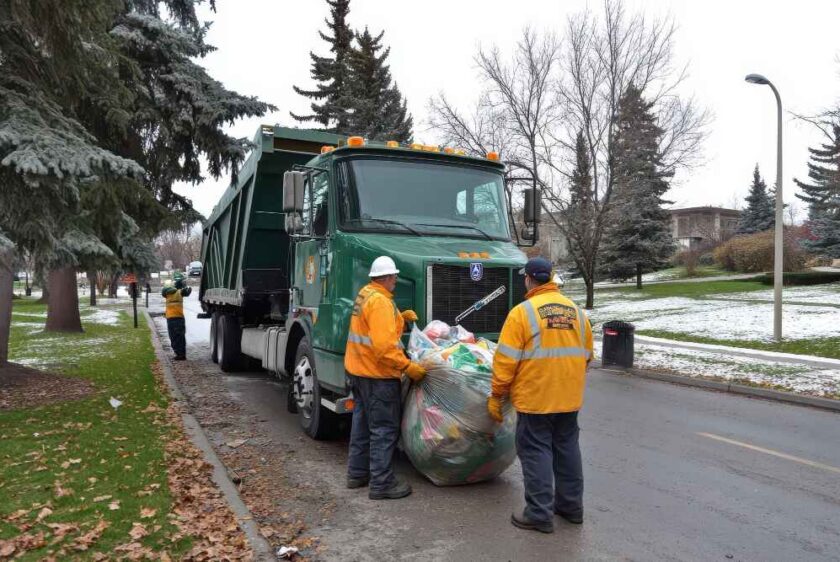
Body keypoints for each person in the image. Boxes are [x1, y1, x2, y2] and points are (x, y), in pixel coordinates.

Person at [489, 256, 593, 533]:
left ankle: (539, 513)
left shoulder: (522, 313)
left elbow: (505, 361)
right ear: (551, 278)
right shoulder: (576, 312)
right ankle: (571, 508)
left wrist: (497, 395)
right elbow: (587, 355)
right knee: (567, 449)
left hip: (536, 398)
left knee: (536, 451)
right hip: (569, 398)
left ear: (528, 279)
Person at [344, 256, 427, 500]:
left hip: (358, 372)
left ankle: (357, 474)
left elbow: (373, 329)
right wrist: (407, 367)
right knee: (383, 429)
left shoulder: (366, 294)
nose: (396, 281)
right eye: (394, 277)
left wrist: (399, 318)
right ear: (387, 277)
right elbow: (384, 348)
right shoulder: (380, 302)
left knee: (361, 426)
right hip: (378, 376)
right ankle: (381, 483)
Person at [162, 272, 192, 361]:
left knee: (173, 337)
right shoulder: (180, 292)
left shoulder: (167, 293)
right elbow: (188, 291)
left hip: (170, 318)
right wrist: (184, 285)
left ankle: (178, 353)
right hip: (179, 317)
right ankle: (181, 354)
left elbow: (163, 291)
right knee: (180, 337)